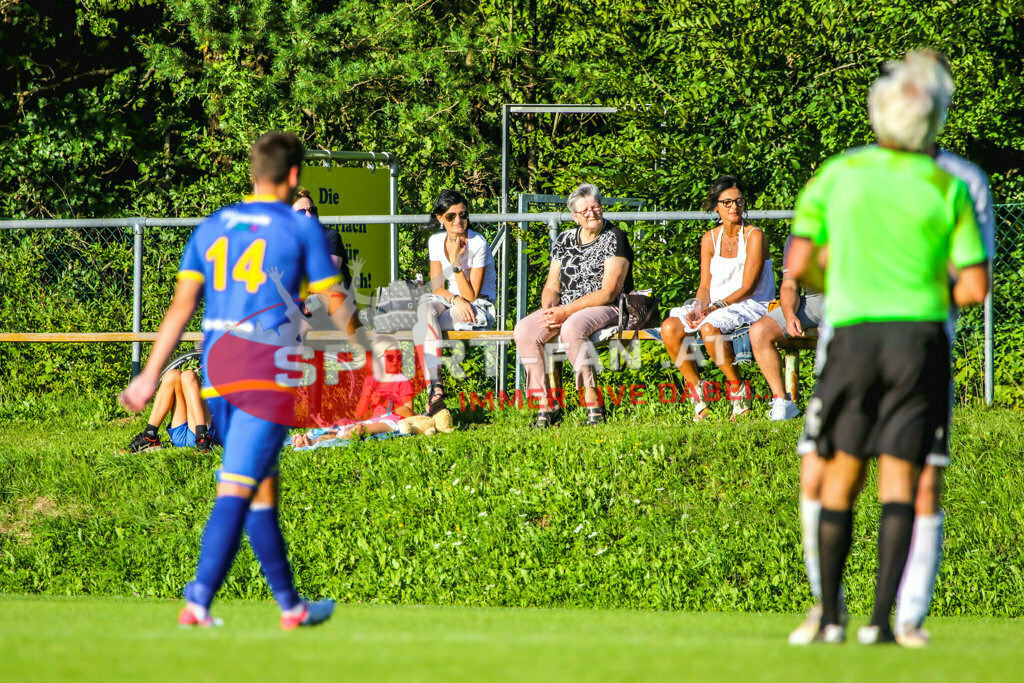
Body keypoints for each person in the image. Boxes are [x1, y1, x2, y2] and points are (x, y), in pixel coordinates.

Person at [788, 51, 997, 648]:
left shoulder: (842, 173)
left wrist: (854, 278)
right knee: (894, 475)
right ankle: (871, 618)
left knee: (842, 471)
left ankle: (877, 617)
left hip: (856, 337)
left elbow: (803, 263)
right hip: (917, 342)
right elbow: (974, 285)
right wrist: (918, 288)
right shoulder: (946, 186)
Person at [118, 131, 345, 629]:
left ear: (253, 172)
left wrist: (149, 375)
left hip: (217, 370)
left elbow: (181, 307)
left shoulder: (214, 225)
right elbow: (336, 303)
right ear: (293, 175)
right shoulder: (299, 227)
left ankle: (292, 606)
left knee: (262, 490)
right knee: (238, 488)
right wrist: (370, 349)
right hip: (264, 372)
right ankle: (198, 601)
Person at [513, 183, 634, 427]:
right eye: (584, 210)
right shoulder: (564, 239)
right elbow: (552, 286)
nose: (592, 213)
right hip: (565, 308)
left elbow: (609, 291)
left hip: (607, 307)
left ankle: (592, 401)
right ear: (574, 216)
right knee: (524, 330)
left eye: (595, 207)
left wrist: (566, 312)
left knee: (572, 328)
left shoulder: (615, 237)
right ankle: (546, 404)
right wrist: (549, 310)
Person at [661, 176, 775, 421]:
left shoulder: (754, 236)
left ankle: (739, 391)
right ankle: (699, 397)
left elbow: (748, 287)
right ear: (716, 208)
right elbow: (705, 285)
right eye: (727, 202)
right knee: (670, 327)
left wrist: (712, 308)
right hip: (716, 306)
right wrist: (698, 307)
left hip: (751, 303)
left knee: (710, 327)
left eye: (739, 201)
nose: (734, 207)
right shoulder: (709, 239)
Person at [413, 189, 497, 415]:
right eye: (451, 216)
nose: (458, 220)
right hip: (451, 300)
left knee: (423, 325)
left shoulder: (477, 243)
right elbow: (437, 286)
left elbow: (472, 295)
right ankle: (436, 386)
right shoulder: (435, 241)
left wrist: (456, 262)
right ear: (440, 218)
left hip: (478, 306)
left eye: (463, 214)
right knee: (424, 309)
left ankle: (433, 391)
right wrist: (455, 299)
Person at [748, 236, 825, 420]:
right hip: (814, 301)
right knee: (759, 332)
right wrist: (790, 315)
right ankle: (783, 402)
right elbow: (790, 285)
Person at [292, 336, 416, 446]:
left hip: (394, 422)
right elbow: (360, 413)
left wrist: (385, 402)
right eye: (390, 357)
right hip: (374, 420)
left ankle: (318, 443)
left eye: (399, 357)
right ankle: (312, 440)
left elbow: (409, 412)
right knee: (342, 426)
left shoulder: (402, 381)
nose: (396, 361)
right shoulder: (370, 381)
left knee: (359, 429)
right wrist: (366, 396)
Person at [124, 368, 220, 452]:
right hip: (180, 435)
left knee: (188, 376)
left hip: (200, 430)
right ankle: (149, 436)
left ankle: (203, 437)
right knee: (171, 375)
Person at [293, 187, 353, 291]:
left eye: (312, 210)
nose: (308, 215)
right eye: (301, 212)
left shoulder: (330, 236)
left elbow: (326, 277)